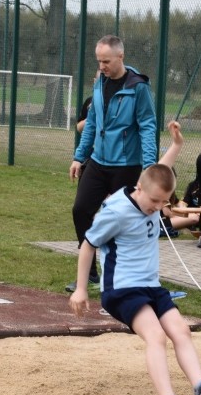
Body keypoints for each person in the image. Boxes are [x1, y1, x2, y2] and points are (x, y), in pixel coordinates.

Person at [68, 121, 201, 395]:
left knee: (181, 331)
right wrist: (81, 289)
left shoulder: (151, 189)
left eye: (164, 202)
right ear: (139, 189)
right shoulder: (116, 212)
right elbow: (88, 244)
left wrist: (177, 144)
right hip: (122, 289)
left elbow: (161, 170)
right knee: (156, 336)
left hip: (151, 286)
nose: (158, 207)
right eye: (154, 201)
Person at [67, 35, 158, 293]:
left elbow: (148, 126)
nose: (102, 66)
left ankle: (123, 276)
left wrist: (149, 167)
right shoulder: (99, 83)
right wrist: (79, 156)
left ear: (121, 57)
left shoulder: (138, 87)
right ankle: (90, 273)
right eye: (99, 61)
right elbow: (92, 123)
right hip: (98, 161)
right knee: (81, 210)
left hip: (126, 165)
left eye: (106, 61)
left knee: (125, 220)